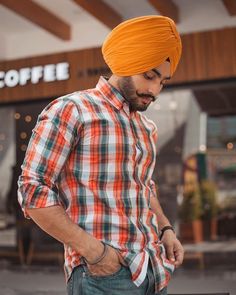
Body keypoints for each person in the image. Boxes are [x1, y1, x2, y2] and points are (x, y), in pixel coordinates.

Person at [18, 15, 184, 295]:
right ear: (125, 64)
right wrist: (96, 254)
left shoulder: (147, 127)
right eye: (149, 76)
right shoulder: (72, 110)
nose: (154, 91)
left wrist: (166, 228)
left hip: (154, 270)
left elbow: (143, 186)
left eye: (163, 82)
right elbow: (32, 191)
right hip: (103, 276)